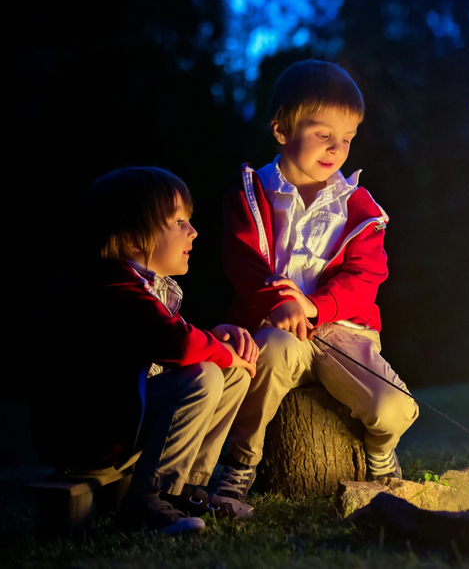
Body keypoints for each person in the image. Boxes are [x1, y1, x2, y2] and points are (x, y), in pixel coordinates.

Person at [214, 60, 418, 506]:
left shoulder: (358, 208)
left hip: (341, 331)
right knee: (267, 356)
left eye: (346, 139)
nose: (336, 149)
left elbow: (365, 277)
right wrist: (277, 301)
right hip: (275, 328)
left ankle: (381, 454)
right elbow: (242, 259)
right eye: (323, 135)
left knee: (393, 407)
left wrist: (315, 307)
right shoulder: (252, 193)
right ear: (282, 130)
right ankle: (241, 462)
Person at [31, 167, 259, 534]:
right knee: (204, 374)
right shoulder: (109, 286)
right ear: (133, 238)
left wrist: (215, 340)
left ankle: (186, 490)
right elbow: (179, 346)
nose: (193, 231)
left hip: (123, 416)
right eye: (179, 221)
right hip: (91, 436)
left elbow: (169, 337)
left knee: (228, 373)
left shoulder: (143, 286)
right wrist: (220, 350)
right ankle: (148, 500)